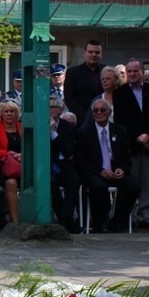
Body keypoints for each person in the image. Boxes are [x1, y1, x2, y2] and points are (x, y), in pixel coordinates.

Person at [75, 97, 140, 233]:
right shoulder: (84, 133)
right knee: (98, 186)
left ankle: (117, 221)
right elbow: (81, 161)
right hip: (94, 172)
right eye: (95, 110)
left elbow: (126, 157)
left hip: (115, 171)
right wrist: (100, 171)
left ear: (109, 112)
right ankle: (100, 222)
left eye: (102, 110)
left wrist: (122, 169)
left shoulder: (121, 131)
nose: (99, 113)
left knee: (133, 186)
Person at [112, 59, 149, 229]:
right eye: (129, 71)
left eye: (135, 71)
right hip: (131, 143)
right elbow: (121, 120)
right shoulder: (119, 93)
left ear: (142, 73)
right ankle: (129, 217)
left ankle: (146, 216)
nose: (132, 74)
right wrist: (138, 138)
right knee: (132, 182)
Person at [0, 100, 22, 225]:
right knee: (11, 182)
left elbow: (31, 146)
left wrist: (22, 155)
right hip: (2, 166)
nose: (9, 114)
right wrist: (10, 155)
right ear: (1, 114)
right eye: (6, 111)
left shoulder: (21, 126)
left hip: (22, 165)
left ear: (16, 113)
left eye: (12, 111)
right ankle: (15, 222)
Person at [49, 96, 81, 233]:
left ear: (60, 110)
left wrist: (53, 133)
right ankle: (65, 219)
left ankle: (66, 216)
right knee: (50, 183)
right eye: (47, 107)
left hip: (64, 165)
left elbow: (68, 151)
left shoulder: (67, 127)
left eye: (52, 107)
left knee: (74, 179)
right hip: (48, 166)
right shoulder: (38, 125)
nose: (49, 110)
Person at [64, 39, 103, 126]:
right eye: (90, 52)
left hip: (103, 120)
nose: (94, 55)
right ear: (84, 53)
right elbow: (69, 99)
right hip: (81, 122)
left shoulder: (106, 71)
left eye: (97, 52)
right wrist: (87, 115)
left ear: (101, 55)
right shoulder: (73, 73)